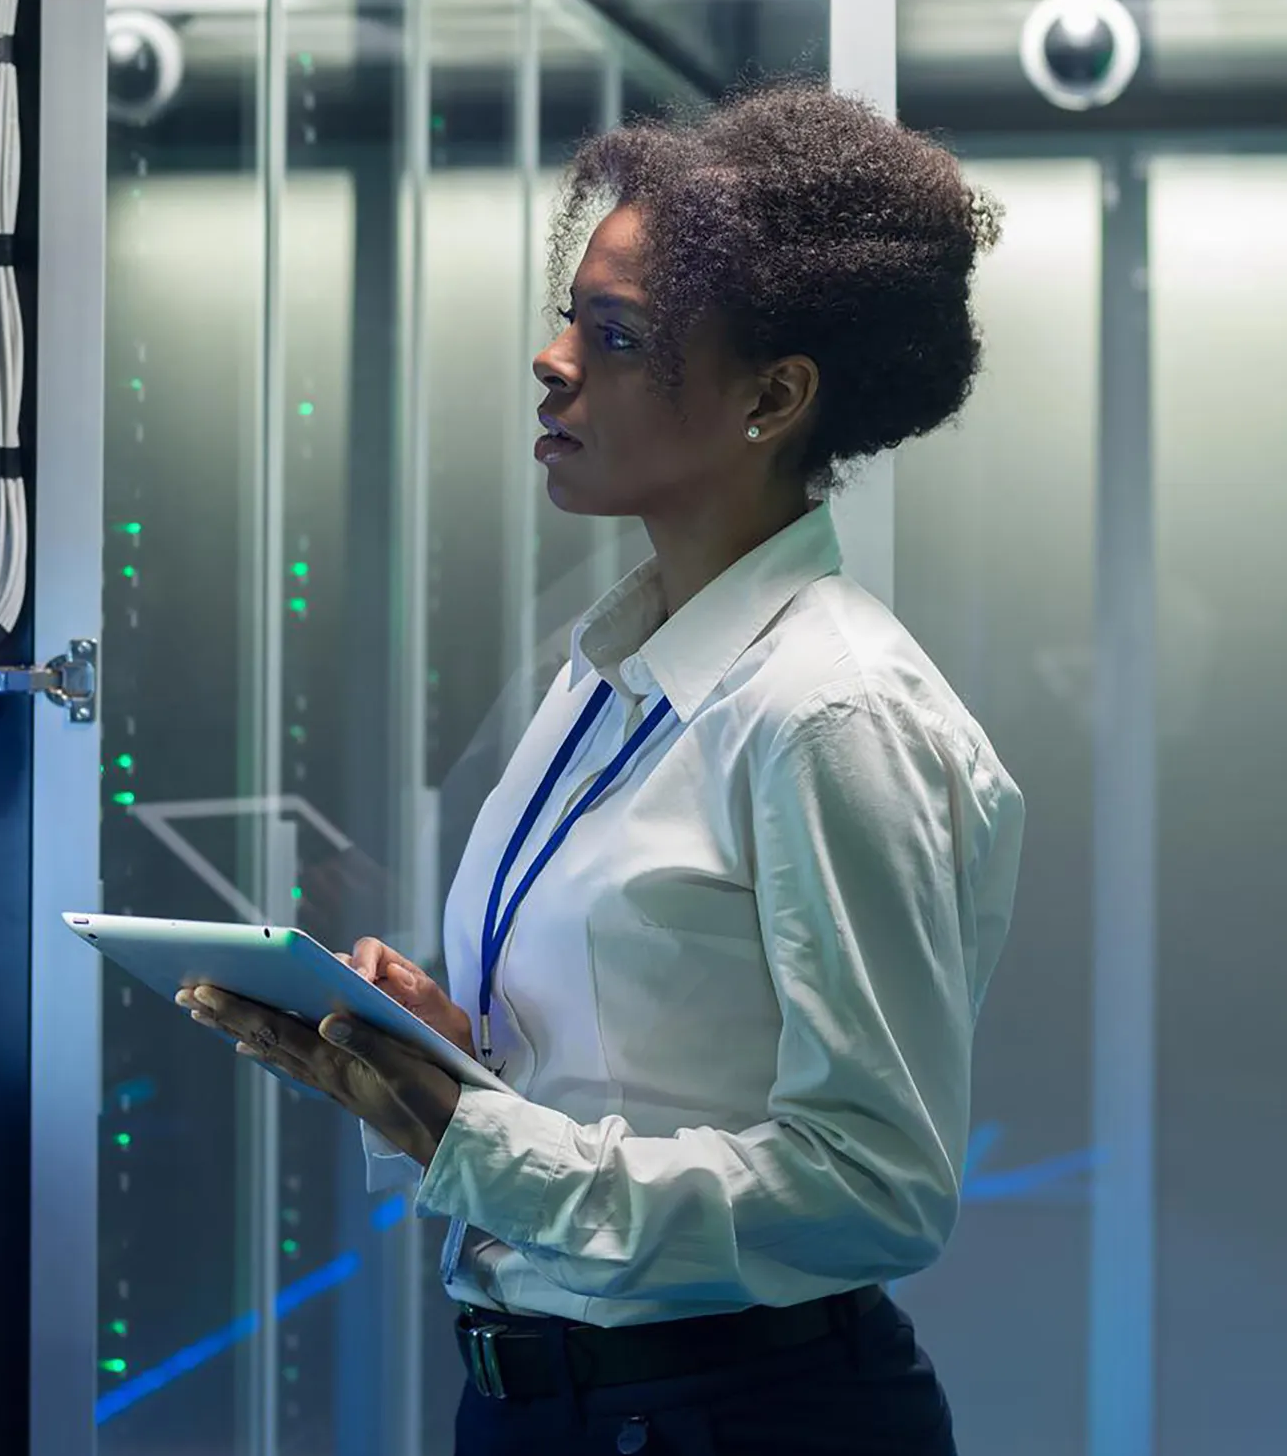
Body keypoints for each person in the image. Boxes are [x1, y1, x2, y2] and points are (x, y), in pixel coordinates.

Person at [181, 83, 1019, 1455]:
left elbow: (876, 1187)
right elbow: (652, 1067)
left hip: (740, 1417)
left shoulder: (830, 712)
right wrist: (457, 1065)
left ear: (774, 396)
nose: (552, 358)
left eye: (615, 334)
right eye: (571, 313)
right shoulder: (616, 666)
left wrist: (481, 1140)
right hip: (554, 1403)